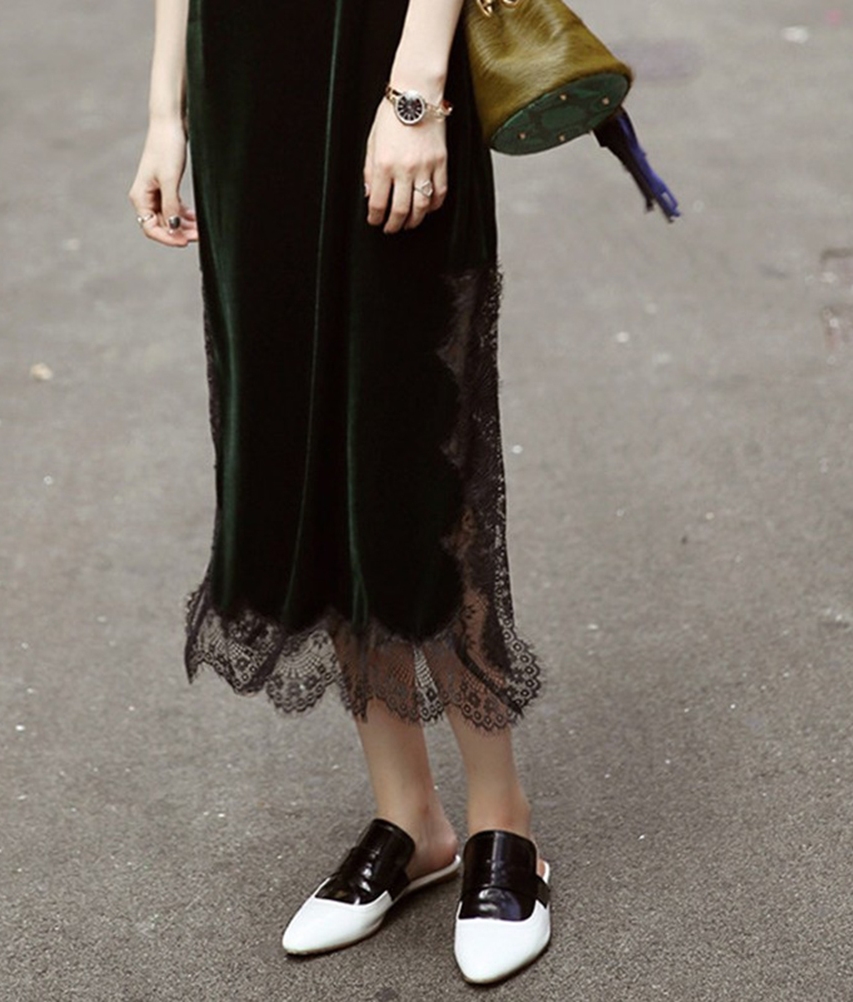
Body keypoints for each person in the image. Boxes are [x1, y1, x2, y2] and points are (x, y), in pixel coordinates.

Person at [129, 0, 550, 984]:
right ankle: (409, 816)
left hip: (382, 54)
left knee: (413, 442)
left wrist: (416, 94)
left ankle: (503, 823)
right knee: (297, 437)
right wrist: (166, 114)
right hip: (243, 84)